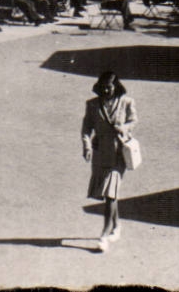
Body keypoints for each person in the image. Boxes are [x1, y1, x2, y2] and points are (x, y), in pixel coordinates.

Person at [80, 70, 138, 253]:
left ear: (116, 86)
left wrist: (124, 127)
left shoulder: (127, 102)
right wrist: (87, 147)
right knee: (109, 194)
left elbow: (134, 120)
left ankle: (104, 236)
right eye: (103, 87)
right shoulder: (92, 105)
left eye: (109, 86)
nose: (106, 90)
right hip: (100, 154)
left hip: (118, 154)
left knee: (110, 194)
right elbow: (86, 129)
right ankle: (116, 226)